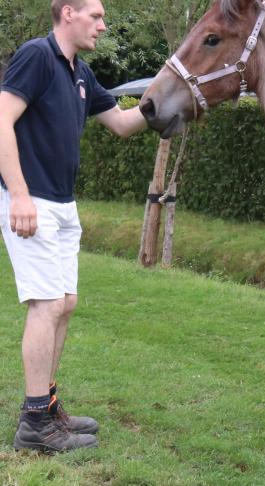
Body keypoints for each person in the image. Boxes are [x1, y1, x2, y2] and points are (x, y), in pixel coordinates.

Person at [0, 0, 147, 452]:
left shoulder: (79, 73)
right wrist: (19, 193)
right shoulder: (37, 56)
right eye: (96, 17)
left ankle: (46, 407)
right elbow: (2, 118)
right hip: (33, 202)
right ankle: (34, 424)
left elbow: (122, 123)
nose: (103, 26)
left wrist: (176, 95)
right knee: (46, 305)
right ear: (68, 12)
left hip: (64, 205)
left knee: (64, 304)